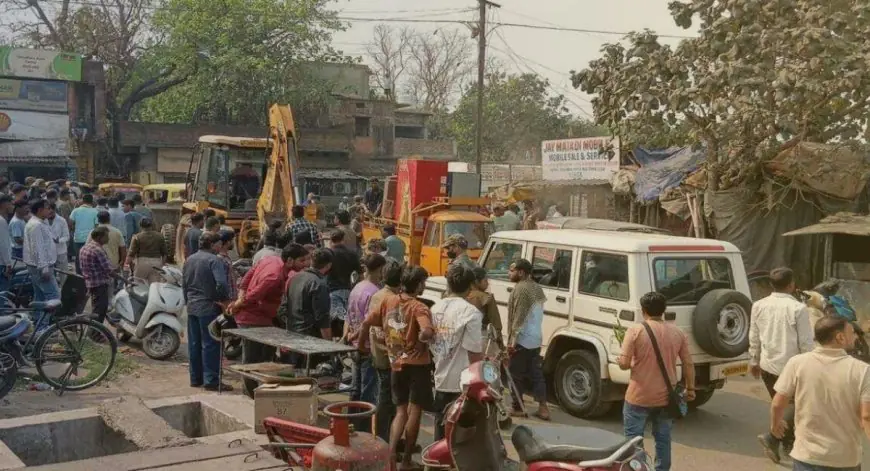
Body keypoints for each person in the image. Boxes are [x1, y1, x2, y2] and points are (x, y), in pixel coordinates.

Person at [770, 316, 870, 471]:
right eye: (851, 332)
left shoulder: (797, 363)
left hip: (807, 456)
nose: (855, 336)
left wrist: (775, 424)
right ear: (840, 337)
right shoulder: (862, 371)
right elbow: (866, 416)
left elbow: (778, 403)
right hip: (845, 460)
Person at [359, 265, 433, 471]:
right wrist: (423, 339)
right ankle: (406, 460)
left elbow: (366, 323)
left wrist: (360, 346)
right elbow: (426, 330)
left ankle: (390, 459)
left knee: (400, 411)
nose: (424, 286)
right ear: (418, 285)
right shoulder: (419, 307)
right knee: (415, 410)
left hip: (396, 363)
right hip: (418, 366)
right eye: (423, 282)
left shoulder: (387, 301)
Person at [617, 292, 694, 471]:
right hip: (666, 398)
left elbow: (624, 364)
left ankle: (640, 468)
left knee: (633, 441)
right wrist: (691, 389)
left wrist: (621, 359)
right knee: (663, 439)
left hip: (638, 397)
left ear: (643, 310)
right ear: (664, 310)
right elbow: (688, 363)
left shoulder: (635, 331)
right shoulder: (678, 332)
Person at [751, 267, 814, 463]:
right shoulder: (798, 309)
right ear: (791, 285)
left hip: (768, 366)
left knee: (782, 406)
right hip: (792, 367)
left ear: (771, 285)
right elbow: (806, 342)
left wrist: (753, 359)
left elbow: (754, 335)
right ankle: (772, 438)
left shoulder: (758, 305)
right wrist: (811, 367)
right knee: (796, 407)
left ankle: (785, 444)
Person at [429, 264, 484, 442]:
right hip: (462, 385)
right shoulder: (471, 313)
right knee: (461, 435)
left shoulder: (434, 308)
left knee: (440, 431)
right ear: (470, 287)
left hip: (440, 378)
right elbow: (474, 354)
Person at [182, 231, 232, 391]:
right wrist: (222, 299)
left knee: (195, 344)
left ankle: (195, 378)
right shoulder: (214, 261)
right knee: (211, 344)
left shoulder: (190, 259)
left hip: (192, 306)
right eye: (218, 244)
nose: (220, 246)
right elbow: (222, 284)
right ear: (212, 245)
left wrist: (187, 301)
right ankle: (211, 380)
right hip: (209, 307)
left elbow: (184, 284)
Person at [344, 253, 387, 431]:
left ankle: (349, 426)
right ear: (379, 270)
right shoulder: (374, 292)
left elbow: (348, 316)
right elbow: (367, 323)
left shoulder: (357, 288)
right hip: (366, 347)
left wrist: (348, 335)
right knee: (368, 393)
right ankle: (363, 431)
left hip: (354, 346)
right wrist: (358, 338)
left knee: (355, 391)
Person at [506, 258, 550, 420]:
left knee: (515, 374)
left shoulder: (521, 289)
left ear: (521, 272)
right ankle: (543, 408)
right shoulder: (537, 288)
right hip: (536, 338)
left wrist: (512, 343)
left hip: (522, 340)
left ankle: (518, 407)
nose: (509, 273)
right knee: (536, 374)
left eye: (512, 270)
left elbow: (519, 317)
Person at [278, 248, 333, 345]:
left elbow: (282, 309)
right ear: (328, 265)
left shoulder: (294, 278)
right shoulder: (319, 285)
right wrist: (330, 345)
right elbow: (322, 319)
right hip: (311, 339)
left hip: (292, 335)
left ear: (312, 261)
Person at [24, 199, 59, 307]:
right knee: (53, 297)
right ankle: (44, 324)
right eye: (47, 208)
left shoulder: (40, 222)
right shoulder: (36, 225)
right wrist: (44, 268)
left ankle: (38, 322)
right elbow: (38, 248)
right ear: (40, 210)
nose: (50, 210)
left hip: (37, 265)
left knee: (40, 297)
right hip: (41, 267)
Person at [326, 230, 361, 336]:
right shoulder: (352, 254)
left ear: (331, 241)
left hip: (332, 290)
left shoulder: (328, 253)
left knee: (334, 322)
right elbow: (359, 273)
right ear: (343, 240)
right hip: (347, 290)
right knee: (347, 321)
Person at [79, 226, 115, 323]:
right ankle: (96, 334)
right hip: (100, 284)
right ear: (99, 237)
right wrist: (126, 281)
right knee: (101, 310)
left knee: (96, 309)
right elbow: (109, 270)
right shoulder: (98, 250)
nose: (108, 238)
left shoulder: (84, 247)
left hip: (90, 283)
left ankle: (94, 332)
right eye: (106, 236)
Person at [467, 267, 503, 352]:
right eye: (485, 280)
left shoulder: (463, 296)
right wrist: (501, 346)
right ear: (476, 281)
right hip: (483, 340)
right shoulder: (487, 298)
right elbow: (496, 324)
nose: (487, 283)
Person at [126, 218, 166, 283]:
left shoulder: (137, 237)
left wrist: (127, 263)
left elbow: (131, 254)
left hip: (142, 263)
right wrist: (162, 265)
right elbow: (164, 253)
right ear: (152, 225)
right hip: (156, 263)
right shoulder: (160, 236)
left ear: (140, 226)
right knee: (154, 286)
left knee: (139, 286)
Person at [47, 204, 70, 285]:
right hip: (48, 253)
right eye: (48, 211)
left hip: (60, 251)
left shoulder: (61, 220)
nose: (49, 214)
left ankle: (65, 293)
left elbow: (67, 236)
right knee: (50, 275)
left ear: (54, 210)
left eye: (51, 212)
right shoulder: (43, 221)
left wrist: (59, 241)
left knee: (63, 275)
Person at [0, 196, 12, 293]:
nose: (12, 206)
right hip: (1, 263)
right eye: (10, 203)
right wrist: (8, 263)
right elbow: (3, 244)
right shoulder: (1, 221)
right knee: (3, 294)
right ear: (4, 204)